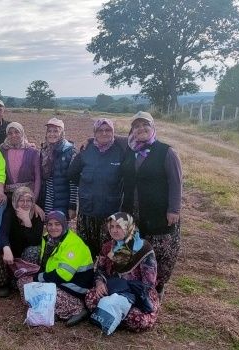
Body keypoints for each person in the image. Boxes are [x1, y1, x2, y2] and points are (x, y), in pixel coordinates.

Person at [121, 111, 182, 298]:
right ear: (132, 131)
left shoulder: (166, 151)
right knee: (133, 247)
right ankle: (137, 283)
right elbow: (109, 138)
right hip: (133, 210)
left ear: (153, 127)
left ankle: (158, 285)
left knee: (161, 251)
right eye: (136, 126)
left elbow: (176, 181)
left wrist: (174, 209)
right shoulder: (130, 150)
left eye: (145, 125)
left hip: (158, 211)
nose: (141, 129)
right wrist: (90, 140)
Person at [85, 212, 159, 333]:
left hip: (136, 294)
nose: (114, 231)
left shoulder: (144, 249)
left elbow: (148, 284)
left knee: (139, 320)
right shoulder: (108, 247)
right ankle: (113, 315)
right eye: (112, 227)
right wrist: (99, 284)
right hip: (112, 289)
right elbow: (100, 269)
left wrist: (125, 293)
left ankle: (109, 315)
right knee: (90, 298)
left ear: (128, 227)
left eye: (118, 226)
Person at [17, 211, 94, 326]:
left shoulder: (73, 244)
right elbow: (47, 265)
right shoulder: (48, 239)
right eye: (50, 224)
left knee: (33, 287)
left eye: (57, 224)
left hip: (74, 288)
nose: (53, 228)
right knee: (23, 282)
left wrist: (38, 278)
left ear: (64, 225)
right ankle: (51, 310)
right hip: (58, 282)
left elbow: (63, 275)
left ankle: (76, 308)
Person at [68, 118, 125, 259]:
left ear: (113, 132)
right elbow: (71, 173)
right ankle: (87, 278)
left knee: (108, 253)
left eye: (108, 130)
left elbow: (133, 138)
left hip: (111, 213)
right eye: (100, 130)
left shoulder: (121, 151)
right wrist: (85, 186)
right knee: (85, 251)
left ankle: (104, 279)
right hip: (88, 212)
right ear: (95, 133)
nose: (104, 133)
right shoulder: (86, 150)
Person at [40, 118, 78, 220]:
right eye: (49, 131)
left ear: (62, 133)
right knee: (49, 228)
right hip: (46, 200)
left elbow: (74, 183)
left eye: (56, 131)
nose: (52, 134)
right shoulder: (43, 150)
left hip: (62, 202)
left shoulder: (70, 152)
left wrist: (72, 206)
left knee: (60, 229)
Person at [1, 187, 43, 265]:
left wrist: (27, 221)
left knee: (32, 251)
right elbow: (3, 234)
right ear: (16, 201)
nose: (25, 204)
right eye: (21, 200)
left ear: (32, 202)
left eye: (28, 200)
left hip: (29, 254)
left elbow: (35, 242)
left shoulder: (37, 215)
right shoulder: (9, 213)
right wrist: (6, 248)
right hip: (12, 252)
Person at [0, 122, 41, 199]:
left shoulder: (32, 151)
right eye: (10, 133)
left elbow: (37, 177)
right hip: (8, 195)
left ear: (22, 133)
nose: (13, 135)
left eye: (16, 132)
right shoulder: (2, 150)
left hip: (27, 196)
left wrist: (35, 197)